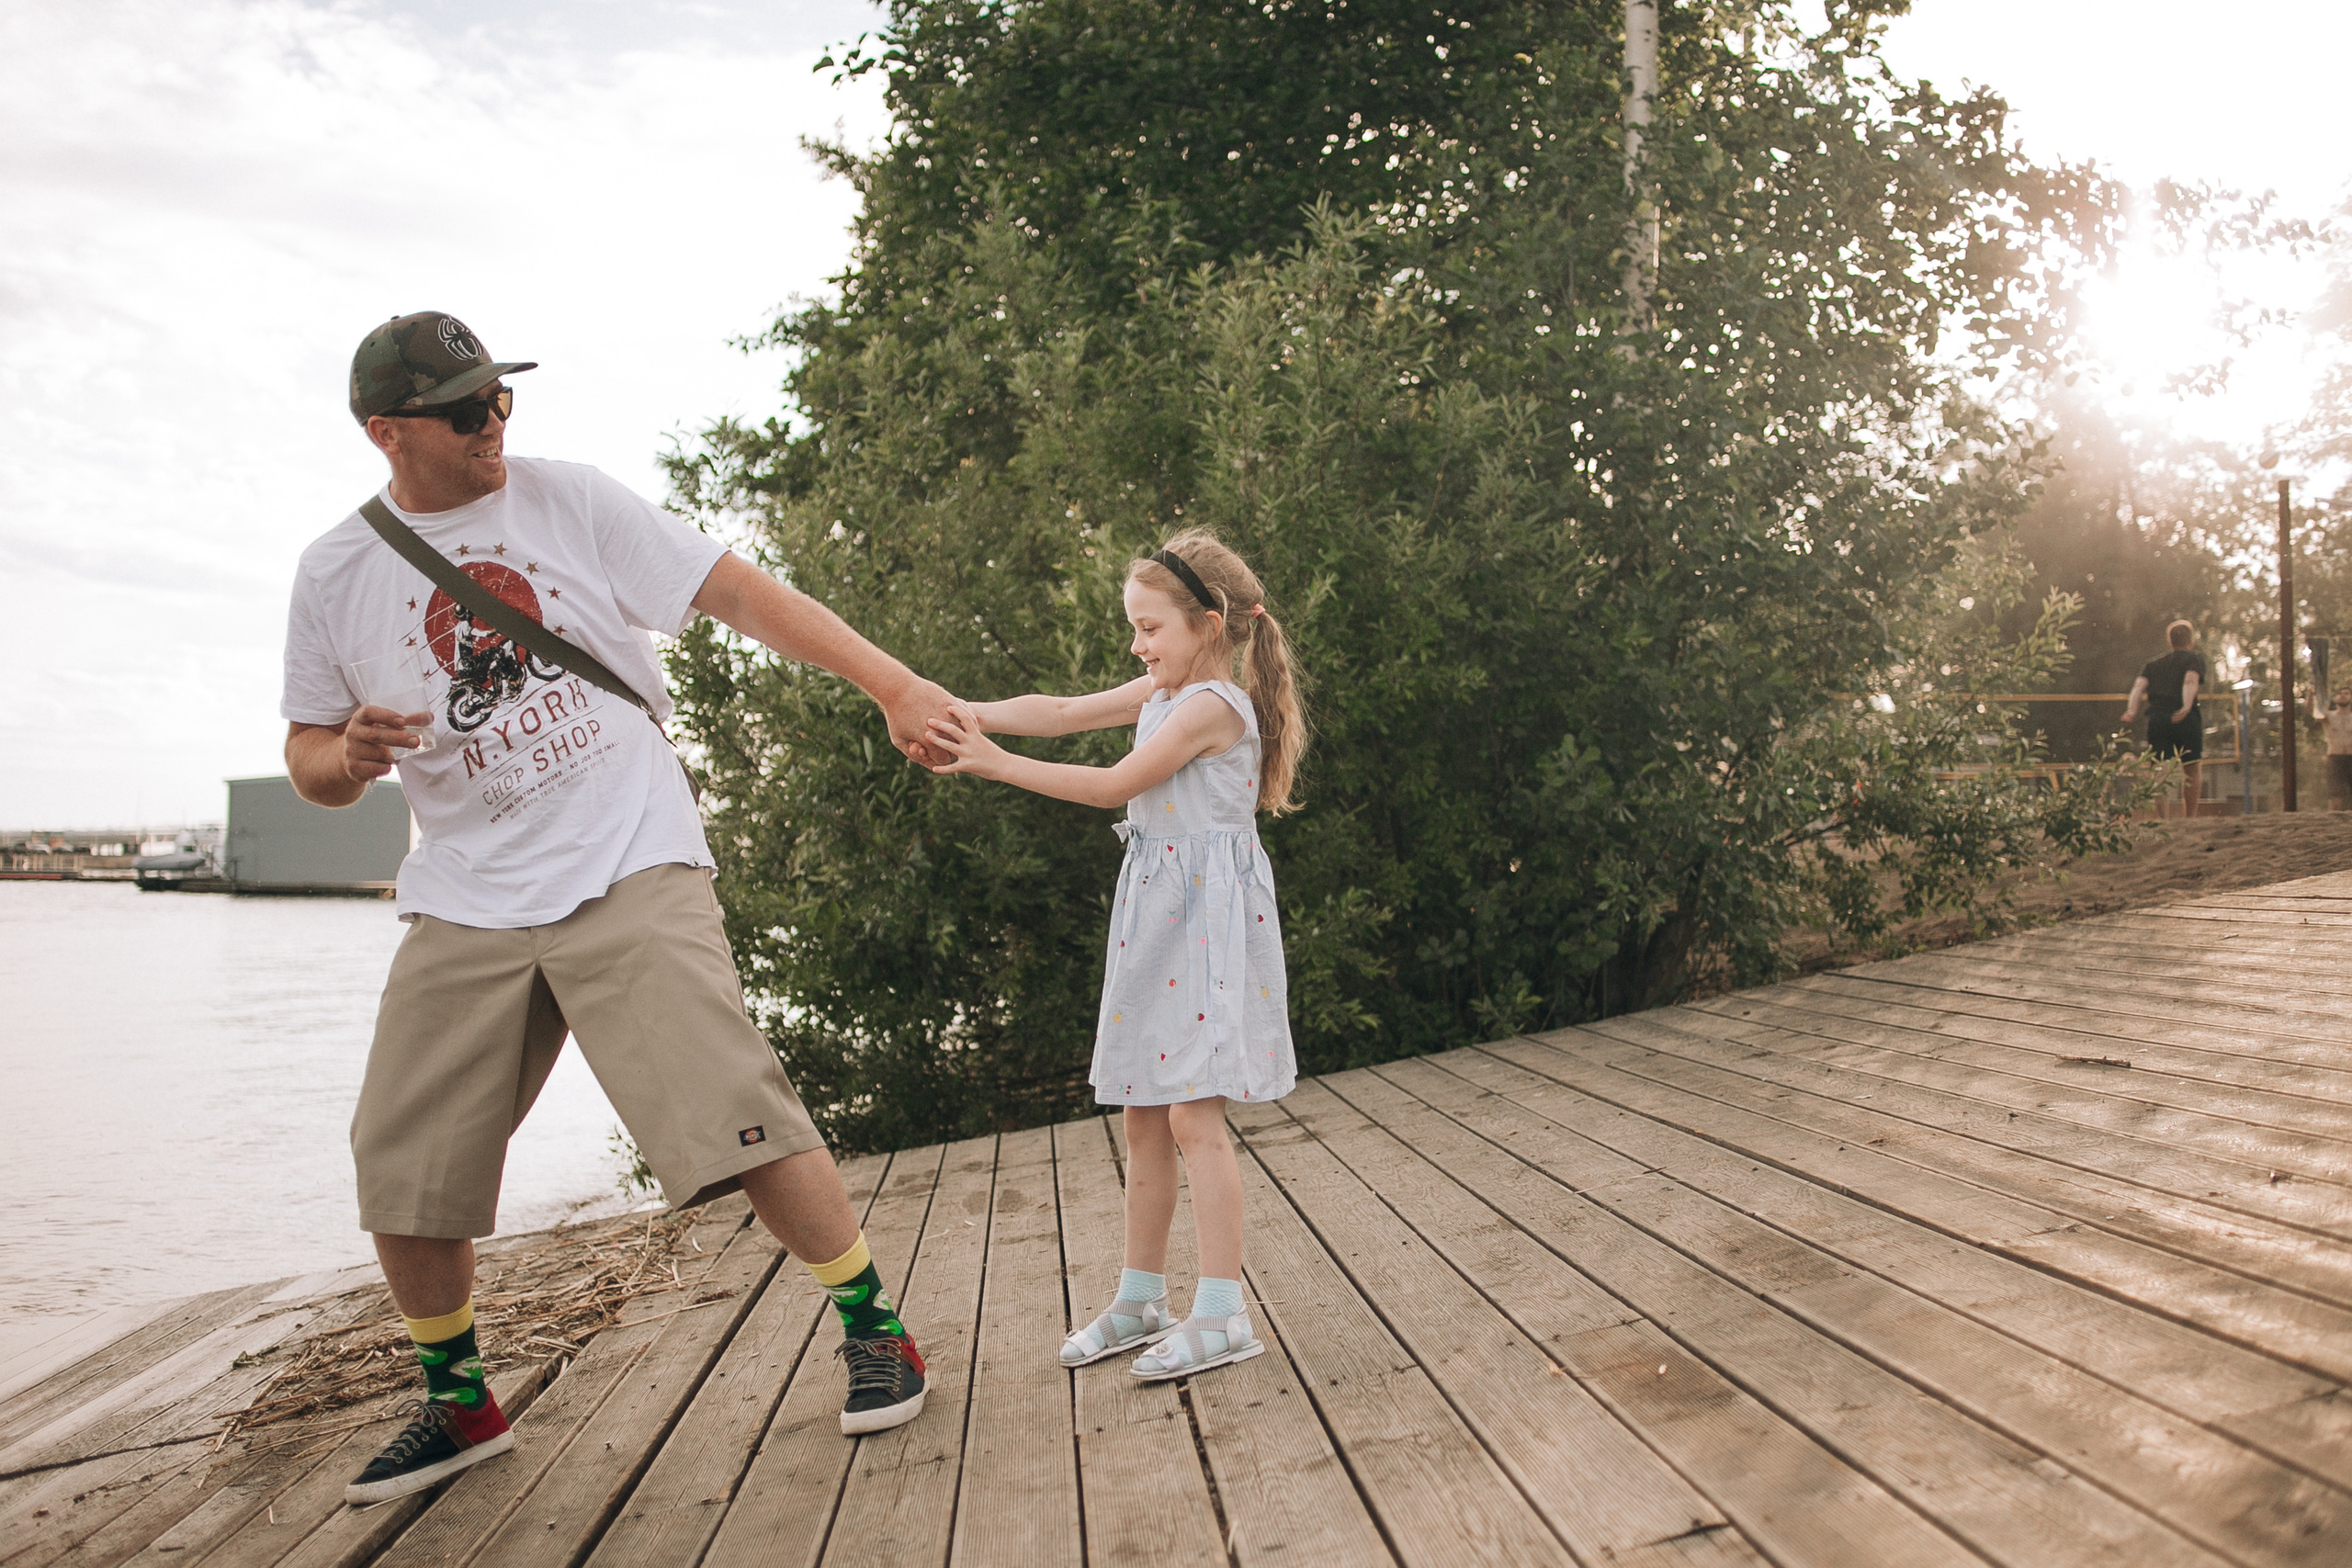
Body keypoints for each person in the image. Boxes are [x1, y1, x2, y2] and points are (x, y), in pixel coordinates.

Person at [283, 313, 955, 1506]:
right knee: (401, 1157)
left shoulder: (572, 500)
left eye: (499, 397)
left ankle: (872, 1324)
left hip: (624, 844)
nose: (494, 422)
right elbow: (305, 758)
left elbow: (741, 593)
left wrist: (893, 686)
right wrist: (348, 753)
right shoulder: (337, 570)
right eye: (462, 409)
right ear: (388, 431)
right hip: (467, 885)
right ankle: (461, 1399)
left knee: (726, 1098)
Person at [922, 532, 1304, 1380]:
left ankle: (1222, 1310)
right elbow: (1057, 711)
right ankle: (1140, 1297)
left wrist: (990, 764)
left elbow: (1109, 785)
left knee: (1193, 1118)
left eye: (1149, 628)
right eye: (1133, 628)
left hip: (1204, 923)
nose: (1137, 645)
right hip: (1158, 915)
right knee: (1143, 1111)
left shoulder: (1214, 707)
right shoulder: (1165, 688)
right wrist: (964, 714)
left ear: (1208, 625)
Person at [2123, 619, 2207, 818]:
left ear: (2170, 641)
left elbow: (2138, 688)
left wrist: (2131, 710)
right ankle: (2190, 817)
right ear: (2190, 640)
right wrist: (2186, 706)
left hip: (2158, 718)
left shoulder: (2153, 664)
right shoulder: (2194, 659)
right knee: (2192, 768)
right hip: (2185, 718)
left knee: (2160, 769)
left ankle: (2163, 820)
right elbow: (2190, 681)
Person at [2325, 688, 2352, 809]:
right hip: (2335, 758)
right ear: (2335, 698)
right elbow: (2311, 709)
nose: (2343, 696)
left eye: (2346, 693)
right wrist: (2311, 693)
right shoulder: (2329, 716)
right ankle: (2333, 821)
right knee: (2335, 793)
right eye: (2340, 694)